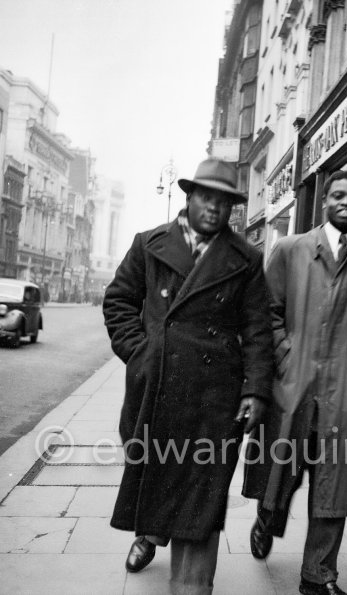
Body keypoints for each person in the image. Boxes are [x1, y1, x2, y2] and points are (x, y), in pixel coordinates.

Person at [103, 157, 273, 595]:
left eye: (224, 202)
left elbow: (257, 328)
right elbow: (119, 302)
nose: (215, 209)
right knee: (158, 476)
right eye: (206, 198)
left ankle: (191, 588)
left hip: (215, 396)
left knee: (202, 494)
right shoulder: (149, 244)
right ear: (190, 197)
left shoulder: (246, 259)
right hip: (156, 389)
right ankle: (151, 535)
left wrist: (255, 390)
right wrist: (141, 355)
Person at [243, 170, 347, 595]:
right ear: (325, 201)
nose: (345, 202)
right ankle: (267, 521)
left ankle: (319, 575)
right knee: (283, 475)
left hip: (345, 398)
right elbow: (266, 312)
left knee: (334, 485)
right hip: (294, 390)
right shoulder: (291, 250)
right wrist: (286, 355)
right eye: (337, 195)